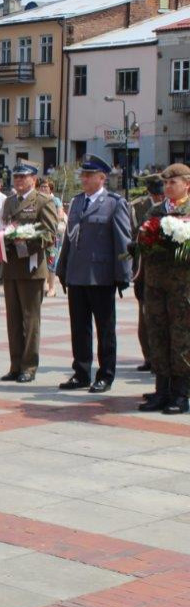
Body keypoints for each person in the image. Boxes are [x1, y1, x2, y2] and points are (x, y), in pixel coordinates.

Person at [56, 155, 132, 395]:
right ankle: (81, 372)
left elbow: (123, 241)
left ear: (102, 178)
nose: (84, 179)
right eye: (83, 175)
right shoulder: (77, 202)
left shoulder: (114, 203)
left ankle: (106, 374)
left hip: (101, 276)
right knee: (79, 328)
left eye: (89, 175)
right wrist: (62, 268)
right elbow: (69, 238)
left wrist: (123, 275)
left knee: (105, 329)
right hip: (77, 274)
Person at [0, 162, 59, 383]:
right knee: (13, 319)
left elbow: (50, 234)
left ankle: (29, 366)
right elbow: (4, 226)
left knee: (30, 319)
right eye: (16, 178)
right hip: (11, 266)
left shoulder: (43, 201)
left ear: (34, 179)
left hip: (31, 267)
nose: (18, 182)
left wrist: (26, 241)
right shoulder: (9, 202)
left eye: (23, 178)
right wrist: (1, 240)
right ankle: (15, 365)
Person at [139, 163, 190, 414]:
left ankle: (181, 393)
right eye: (166, 183)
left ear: (186, 184)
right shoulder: (155, 210)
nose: (168, 186)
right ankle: (161, 390)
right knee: (157, 334)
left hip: (183, 287)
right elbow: (143, 243)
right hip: (156, 283)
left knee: (181, 337)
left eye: (173, 182)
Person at [130, 175, 166, 372]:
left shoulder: (176, 205)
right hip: (144, 268)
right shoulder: (138, 207)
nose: (161, 196)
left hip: (169, 270)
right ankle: (149, 357)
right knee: (145, 314)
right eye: (158, 192)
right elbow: (133, 232)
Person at [37, 178, 66, 297]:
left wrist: (50, 221)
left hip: (53, 235)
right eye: (42, 186)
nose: (43, 189)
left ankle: (52, 287)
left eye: (46, 187)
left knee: (51, 261)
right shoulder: (36, 199)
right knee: (40, 261)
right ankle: (43, 286)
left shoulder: (55, 200)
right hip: (39, 235)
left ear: (50, 188)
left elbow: (59, 214)